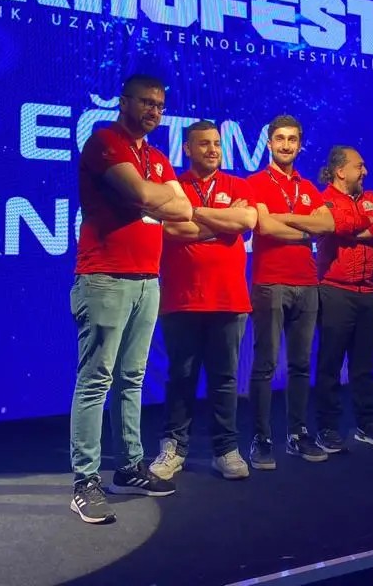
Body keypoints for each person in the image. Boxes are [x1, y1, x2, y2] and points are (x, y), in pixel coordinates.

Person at [69, 74, 192, 524]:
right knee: (95, 381)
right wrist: (156, 198)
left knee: (132, 379)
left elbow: (184, 209)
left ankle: (129, 467)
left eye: (159, 105)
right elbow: (142, 194)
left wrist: (158, 200)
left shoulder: (156, 156)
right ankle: (85, 481)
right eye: (145, 102)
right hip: (104, 278)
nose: (154, 111)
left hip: (147, 280)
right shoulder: (105, 142)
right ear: (123, 102)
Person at [147, 121, 257, 482]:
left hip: (229, 300)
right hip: (182, 300)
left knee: (224, 379)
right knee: (181, 377)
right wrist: (223, 225)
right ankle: (174, 449)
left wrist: (193, 214)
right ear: (187, 149)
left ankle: (225, 450)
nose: (212, 150)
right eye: (204, 144)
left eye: (217, 144)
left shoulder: (238, 186)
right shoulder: (172, 189)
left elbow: (246, 219)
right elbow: (169, 229)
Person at [245, 115, 339, 468]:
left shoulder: (308, 186)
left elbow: (327, 224)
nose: (286, 145)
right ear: (269, 143)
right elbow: (265, 227)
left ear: (300, 145)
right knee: (265, 364)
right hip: (270, 282)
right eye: (280, 138)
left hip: (307, 283)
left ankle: (297, 434)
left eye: (293, 139)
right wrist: (304, 229)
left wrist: (285, 220)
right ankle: (261, 438)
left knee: (300, 365)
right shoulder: (255, 183)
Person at [308, 146, 373, 453]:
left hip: (370, 292)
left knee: (364, 365)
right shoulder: (323, 201)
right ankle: (327, 427)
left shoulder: (371, 198)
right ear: (340, 171)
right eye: (359, 166)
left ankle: (366, 422)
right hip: (335, 291)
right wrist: (366, 222)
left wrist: (357, 228)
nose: (365, 172)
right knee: (330, 364)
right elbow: (336, 223)